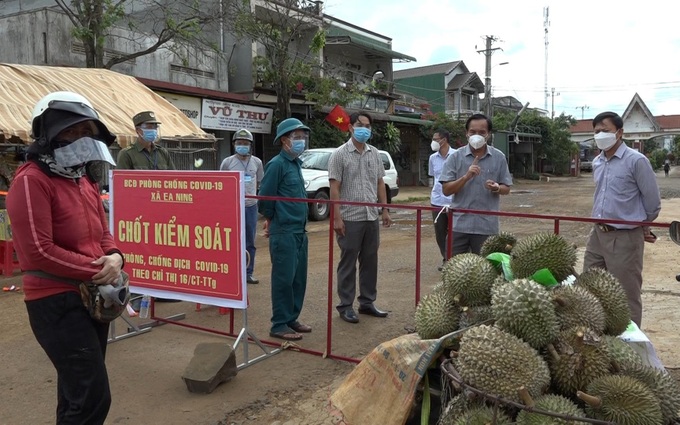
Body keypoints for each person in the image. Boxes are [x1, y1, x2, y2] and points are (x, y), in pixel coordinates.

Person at [7, 91, 124, 424]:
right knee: (92, 395)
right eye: (69, 132)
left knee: (77, 392)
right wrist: (98, 269)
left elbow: (102, 233)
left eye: (85, 132)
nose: (78, 139)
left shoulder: (83, 179)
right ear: (47, 134)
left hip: (92, 295)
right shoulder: (31, 181)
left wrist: (115, 257)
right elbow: (38, 251)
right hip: (55, 301)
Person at [583, 111, 661, 327]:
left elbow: (653, 201)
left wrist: (642, 225)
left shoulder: (636, 161)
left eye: (605, 131)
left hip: (625, 236)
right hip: (598, 233)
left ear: (619, 133)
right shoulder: (598, 161)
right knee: (589, 285)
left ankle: (631, 344)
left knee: (626, 293)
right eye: (596, 131)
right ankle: (598, 335)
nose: (600, 135)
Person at [328, 112, 392, 324]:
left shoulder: (374, 153)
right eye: (359, 124)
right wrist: (336, 218)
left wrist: (384, 210)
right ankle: (345, 306)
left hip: (371, 215)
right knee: (348, 262)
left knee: (370, 260)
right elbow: (334, 188)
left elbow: (380, 183)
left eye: (367, 125)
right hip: (349, 217)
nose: (364, 128)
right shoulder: (339, 154)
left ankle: (366, 302)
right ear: (350, 128)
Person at [258, 118, 311, 341]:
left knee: (298, 279)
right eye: (296, 137)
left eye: (303, 137)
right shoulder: (277, 165)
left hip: (299, 230)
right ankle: (279, 324)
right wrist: (272, 220)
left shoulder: (296, 164)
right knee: (283, 279)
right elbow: (265, 200)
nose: (301, 141)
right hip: (284, 231)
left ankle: (291, 318)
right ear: (284, 140)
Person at [439, 113, 513, 255]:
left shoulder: (499, 157)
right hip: (459, 225)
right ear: (466, 133)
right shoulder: (455, 157)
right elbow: (446, 190)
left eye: (482, 132)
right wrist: (466, 177)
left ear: (488, 134)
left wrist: (497, 188)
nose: (476, 135)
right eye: (472, 132)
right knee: (455, 270)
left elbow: (506, 188)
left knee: (487, 271)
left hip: (487, 227)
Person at [220, 129, 264, 284]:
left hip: (251, 207)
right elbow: (222, 184)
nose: (242, 146)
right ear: (234, 144)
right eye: (239, 143)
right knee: (231, 241)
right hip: (233, 207)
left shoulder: (257, 162)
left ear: (250, 145)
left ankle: (248, 272)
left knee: (250, 241)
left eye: (245, 144)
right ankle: (232, 273)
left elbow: (259, 182)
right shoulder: (227, 162)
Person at [428, 128, 455, 271]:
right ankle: (446, 259)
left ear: (443, 140)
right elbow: (433, 176)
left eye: (435, 139)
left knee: (455, 232)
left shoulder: (457, 155)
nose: (433, 142)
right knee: (440, 233)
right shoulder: (433, 158)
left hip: (453, 200)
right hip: (437, 201)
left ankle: (456, 260)